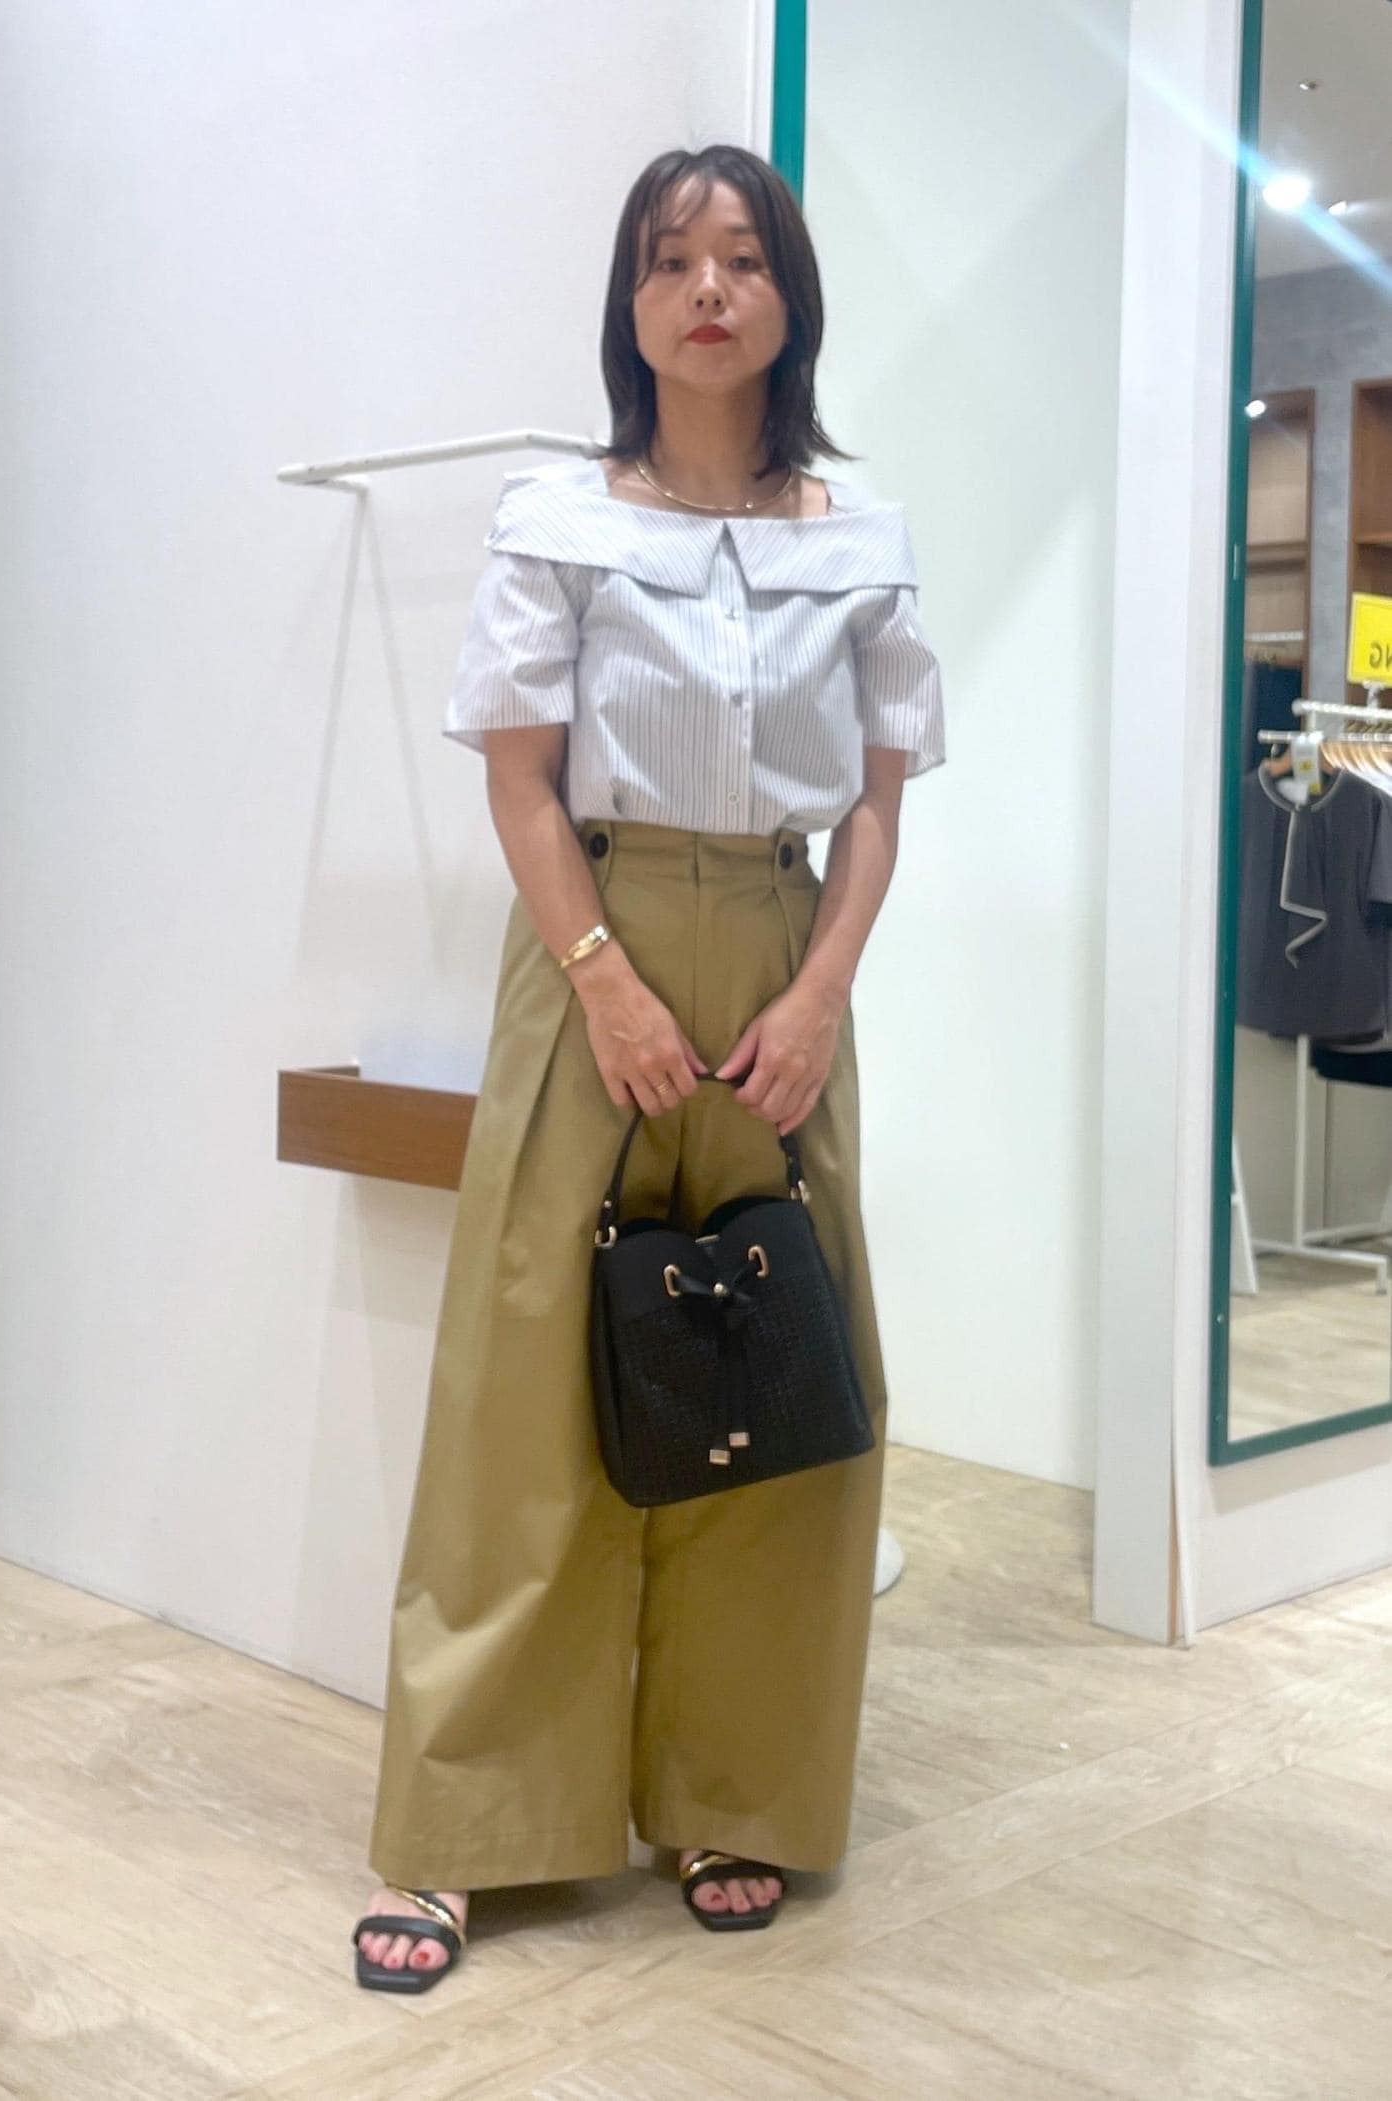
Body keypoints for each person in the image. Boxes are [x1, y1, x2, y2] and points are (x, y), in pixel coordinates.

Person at [352, 140, 946, 1993]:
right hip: (590, 947)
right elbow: (521, 779)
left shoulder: (858, 535)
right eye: (672, 259)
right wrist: (602, 979)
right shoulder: (558, 518)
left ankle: (731, 1791)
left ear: (790, 300)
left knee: (780, 1359)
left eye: (743, 258)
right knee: (524, 1386)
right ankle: (465, 1826)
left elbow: (875, 801)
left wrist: (825, 989)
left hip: (782, 959)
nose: (708, 289)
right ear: (630, 304)